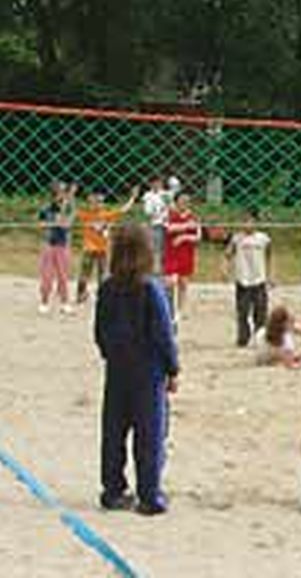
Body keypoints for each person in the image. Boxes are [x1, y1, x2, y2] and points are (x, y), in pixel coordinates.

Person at [95, 224, 179, 515]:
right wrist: (173, 368)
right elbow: (163, 334)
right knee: (150, 433)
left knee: (113, 431)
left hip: (118, 368)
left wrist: (112, 355)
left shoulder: (108, 287)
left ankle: (113, 490)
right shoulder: (150, 288)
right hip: (148, 370)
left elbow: (100, 332)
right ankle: (149, 494)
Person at [75, 186, 139, 304]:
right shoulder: (86, 214)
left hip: (102, 248)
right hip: (89, 248)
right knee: (84, 273)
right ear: (90, 202)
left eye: (100, 202)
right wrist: (70, 194)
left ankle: (102, 295)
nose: (98, 204)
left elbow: (123, 210)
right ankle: (81, 294)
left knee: (103, 274)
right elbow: (73, 209)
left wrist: (133, 198)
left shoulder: (106, 214)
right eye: (95, 202)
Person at [223, 212, 274, 347]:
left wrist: (270, 276)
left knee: (260, 311)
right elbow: (228, 254)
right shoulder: (237, 238)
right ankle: (243, 338)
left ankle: (260, 338)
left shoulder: (263, 238)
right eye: (245, 222)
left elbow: (268, 257)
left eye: (250, 221)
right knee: (243, 311)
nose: (247, 225)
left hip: (259, 279)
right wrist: (226, 269)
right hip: (243, 279)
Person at [37, 181, 77, 315]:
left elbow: (67, 225)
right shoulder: (46, 208)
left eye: (64, 192)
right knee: (47, 276)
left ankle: (65, 303)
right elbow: (41, 225)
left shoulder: (69, 207)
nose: (62, 194)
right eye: (60, 192)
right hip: (48, 244)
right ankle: (44, 302)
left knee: (63, 276)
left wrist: (63, 217)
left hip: (63, 245)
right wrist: (55, 222)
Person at [164, 192, 201, 320]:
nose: (184, 203)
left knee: (183, 282)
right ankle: (169, 308)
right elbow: (168, 228)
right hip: (172, 252)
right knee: (170, 282)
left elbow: (197, 236)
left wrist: (183, 237)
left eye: (187, 200)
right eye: (182, 200)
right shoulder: (170, 214)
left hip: (186, 252)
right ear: (176, 201)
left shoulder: (193, 216)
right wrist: (185, 226)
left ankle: (181, 309)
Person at [143, 176, 174, 274]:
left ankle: (165, 271)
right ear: (151, 184)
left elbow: (172, 207)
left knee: (166, 250)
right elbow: (147, 212)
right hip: (156, 224)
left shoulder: (166, 194)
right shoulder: (148, 195)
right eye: (154, 183)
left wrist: (168, 204)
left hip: (167, 225)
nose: (157, 185)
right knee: (156, 249)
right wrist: (158, 211)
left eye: (158, 182)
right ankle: (155, 272)